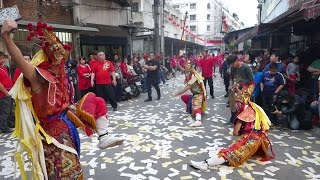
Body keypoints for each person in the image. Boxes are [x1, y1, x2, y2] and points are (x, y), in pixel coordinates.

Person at [2, 20, 123, 179]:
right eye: (59, 59)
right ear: (50, 59)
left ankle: (103, 137)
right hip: (52, 135)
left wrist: (71, 107)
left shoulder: (60, 77)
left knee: (96, 100)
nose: (62, 63)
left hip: (66, 123)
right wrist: (6, 37)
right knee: (64, 173)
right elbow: (20, 61)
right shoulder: (39, 78)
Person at [190, 56, 273, 171]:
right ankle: (207, 163)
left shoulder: (244, 113)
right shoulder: (252, 108)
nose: (235, 105)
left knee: (232, 153)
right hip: (259, 139)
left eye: (237, 103)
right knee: (233, 149)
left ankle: (206, 164)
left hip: (252, 140)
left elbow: (235, 132)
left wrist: (239, 129)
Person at [173, 61, 206, 127]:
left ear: (191, 68)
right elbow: (183, 70)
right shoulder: (190, 72)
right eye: (185, 66)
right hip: (194, 94)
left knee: (196, 108)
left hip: (199, 94)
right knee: (184, 98)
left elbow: (185, 89)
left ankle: (198, 121)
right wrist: (178, 65)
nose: (185, 68)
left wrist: (176, 94)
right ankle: (189, 107)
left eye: (187, 67)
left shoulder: (194, 76)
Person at [227, 55, 254, 124]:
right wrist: (232, 85)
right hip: (237, 86)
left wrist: (241, 84)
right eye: (231, 64)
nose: (232, 65)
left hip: (247, 87)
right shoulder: (233, 68)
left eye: (233, 64)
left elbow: (250, 79)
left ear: (237, 60)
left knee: (242, 103)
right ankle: (233, 118)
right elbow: (232, 78)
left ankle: (243, 121)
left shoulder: (246, 67)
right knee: (232, 101)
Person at [0, 51, 14, 133]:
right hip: (3, 94)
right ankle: (4, 128)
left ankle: (8, 124)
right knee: (4, 111)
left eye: (3, 58)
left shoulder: (5, 67)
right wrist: (6, 93)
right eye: (0, 58)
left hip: (9, 92)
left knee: (9, 110)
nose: (2, 60)